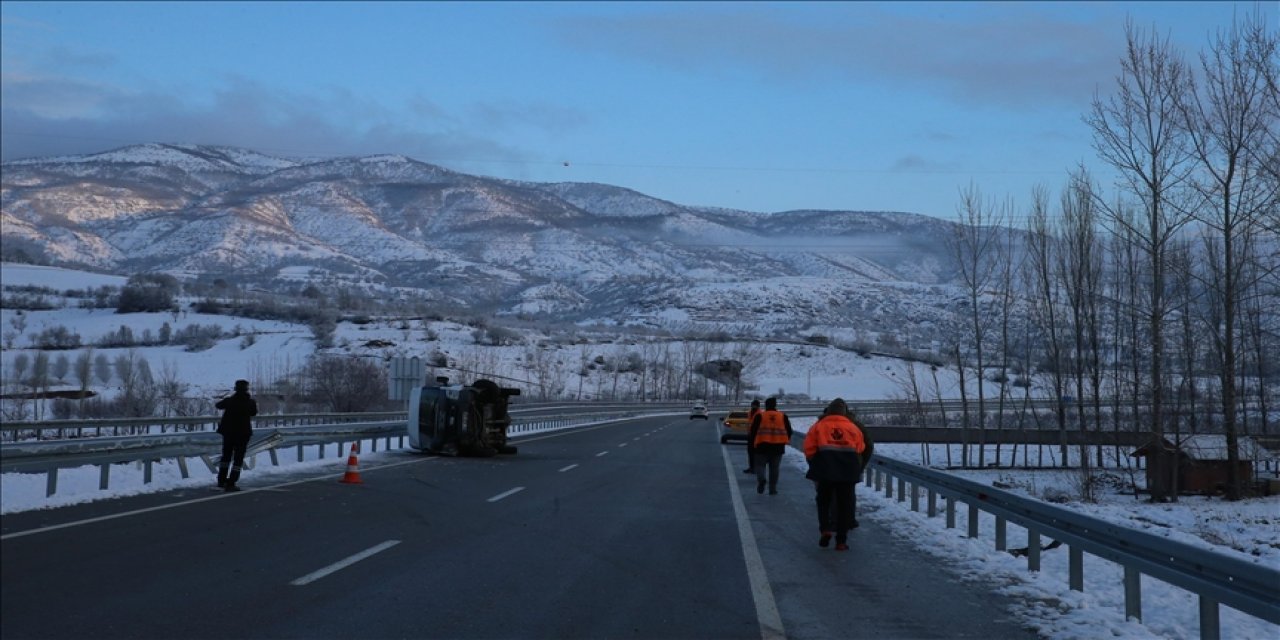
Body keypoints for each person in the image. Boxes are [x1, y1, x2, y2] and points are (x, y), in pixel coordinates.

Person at [803, 398, 866, 551]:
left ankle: (825, 529)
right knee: (845, 505)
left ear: (829, 411)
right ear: (844, 412)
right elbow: (860, 448)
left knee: (823, 501)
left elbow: (808, 448)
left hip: (825, 471)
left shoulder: (818, 426)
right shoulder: (853, 427)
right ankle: (841, 541)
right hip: (847, 473)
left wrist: (816, 462)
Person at [216, 379, 258, 492]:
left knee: (226, 456)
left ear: (235, 389)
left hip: (228, 433)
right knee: (238, 458)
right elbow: (254, 412)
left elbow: (218, 405)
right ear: (246, 389)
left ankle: (221, 480)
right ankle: (232, 482)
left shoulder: (229, 401)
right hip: (243, 434)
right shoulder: (250, 402)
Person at [747, 397, 792, 495]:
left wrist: (753, 444)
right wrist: (783, 440)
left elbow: (753, 431)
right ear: (776, 405)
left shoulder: (760, 416)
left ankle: (762, 479)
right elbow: (789, 431)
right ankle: (772, 489)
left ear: (765, 405)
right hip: (778, 447)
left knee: (760, 466)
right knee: (774, 468)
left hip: (761, 445)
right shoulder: (783, 416)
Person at [743, 399, 762, 474]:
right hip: (750, 435)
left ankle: (756, 468)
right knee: (750, 452)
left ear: (758, 406)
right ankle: (751, 467)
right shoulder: (750, 413)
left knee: (756, 453)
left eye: (755, 405)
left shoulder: (760, 413)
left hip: (757, 436)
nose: (753, 406)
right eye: (752, 405)